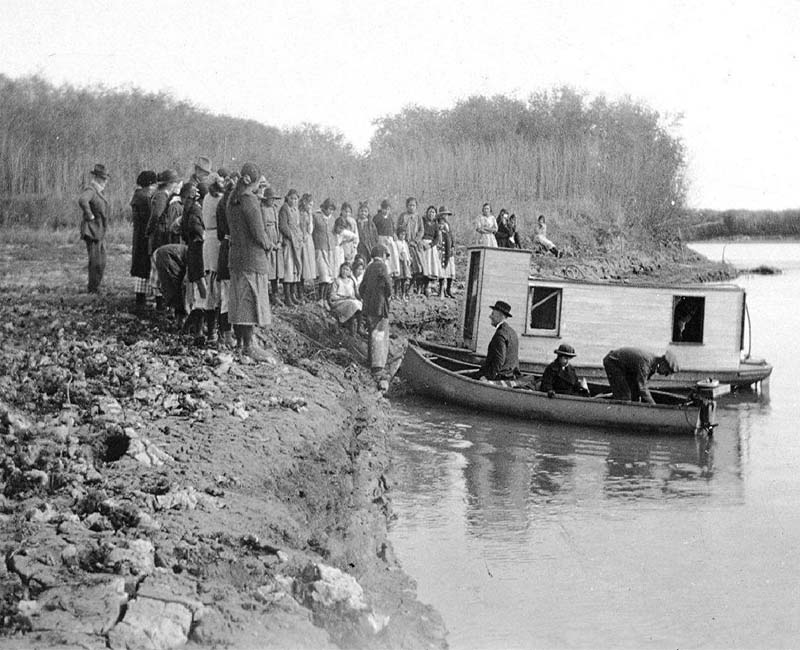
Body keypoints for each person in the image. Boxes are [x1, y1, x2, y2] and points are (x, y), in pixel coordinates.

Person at [227, 162, 274, 362]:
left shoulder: (232, 198)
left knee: (239, 300)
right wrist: (269, 244)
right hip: (252, 259)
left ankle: (240, 342)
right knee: (250, 302)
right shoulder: (250, 200)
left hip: (236, 256)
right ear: (253, 182)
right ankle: (248, 345)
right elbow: (258, 233)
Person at [361, 244, 393, 389]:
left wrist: (366, 299)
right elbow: (388, 286)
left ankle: (370, 360)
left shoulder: (368, 268)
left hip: (368, 306)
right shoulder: (382, 266)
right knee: (379, 334)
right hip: (380, 306)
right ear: (382, 255)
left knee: (371, 333)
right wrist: (387, 295)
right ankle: (378, 366)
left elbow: (361, 288)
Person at [200, 172, 227, 343]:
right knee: (220, 288)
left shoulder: (206, 199)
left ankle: (212, 331)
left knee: (211, 286)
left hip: (208, 240)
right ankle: (220, 331)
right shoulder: (220, 200)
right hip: (217, 240)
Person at [180, 182, 207, 343]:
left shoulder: (189, 209)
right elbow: (197, 230)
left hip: (194, 251)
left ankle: (192, 328)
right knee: (203, 292)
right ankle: (196, 330)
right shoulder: (196, 210)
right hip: (197, 252)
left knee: (200, 291)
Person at [602, 347, 679, 404]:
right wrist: (654, 406)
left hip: (624, 367)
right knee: (625, 396)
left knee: (634, 394)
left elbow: (639, 387)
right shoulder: (646, 363)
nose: (664, 375)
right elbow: (642, 388)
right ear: (663, 364)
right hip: (613, 362)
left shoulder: (654, 365)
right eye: (666, 372)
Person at [77, 163, 110, 293]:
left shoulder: (98, 191)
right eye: (103, 178)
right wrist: (89, 215)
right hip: (92, 231)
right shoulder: (91, 189)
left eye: (106, 178)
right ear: (97, 178)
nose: (106, 181)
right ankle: (93, 288)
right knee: (96, 261)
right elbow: (82, 200)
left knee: (101, 260)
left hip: (98, 231)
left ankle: (95, 286)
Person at [216, 171, 238, 346]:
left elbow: (219, 233)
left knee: (226, 294)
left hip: (225, 246)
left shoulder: (222, 202)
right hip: (231, 249)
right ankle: (226, 333)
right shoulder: (229, 204)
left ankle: (226, 332)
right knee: (228, 295)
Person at [130, 170, 158, 310]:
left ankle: (140, 298)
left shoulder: (137, 195)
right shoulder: (144, 198)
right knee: (143, 266)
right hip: (144, 237)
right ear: (149, 184)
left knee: (141, 267)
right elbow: (150, 217)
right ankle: (140, 300)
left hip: (139, 235)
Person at [478, 300, 520, 381]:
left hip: (502, 376)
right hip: (511, 374)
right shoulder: (511, 331)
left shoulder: (500, 334)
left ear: (500, 316)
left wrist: (488, 378)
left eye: (493, 314)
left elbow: (499, 361)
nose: (490, 316)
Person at [258, 182, 284, 307]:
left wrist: (279, 241)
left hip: (276, 238)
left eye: (273, 199)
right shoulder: (262, 210)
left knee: (276, 270)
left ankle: (275, 294)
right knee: (268, 269)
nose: (272, 201)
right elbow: (262, 228)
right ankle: (265, 295)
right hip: (268, 241)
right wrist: (270, 244)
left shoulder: (274, 209)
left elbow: (278, 226)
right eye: (270, 199)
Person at [153, 242, 189, 329]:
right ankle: (179, 321)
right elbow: (185, 281)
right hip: (166, 255)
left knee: (175, 287)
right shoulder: (196, 255)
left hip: (165, 253)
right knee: (174, 287)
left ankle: (179, 318)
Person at [278, 189, 303, 306]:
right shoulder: (284, 208)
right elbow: (283, 226)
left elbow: (297, 226)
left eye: (296, 198)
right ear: (287, 198)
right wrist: (292, 237)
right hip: (288, 242)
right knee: (288, 268)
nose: (294, 201)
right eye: (292, 198)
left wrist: (299, 236)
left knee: (295, 269)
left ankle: (293, 295)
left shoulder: (296, 210)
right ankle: (287, 296)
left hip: (296, 242)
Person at [396, 197, 424, 291]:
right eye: (409, 205)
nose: (411, 207)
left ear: (416, 207)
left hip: (415, 245)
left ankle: (412, 285)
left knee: (417, 266)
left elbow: (421, 230)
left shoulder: (418, 217)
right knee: (405, 265)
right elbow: (398, 228)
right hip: (404, 244)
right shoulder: (403, 216)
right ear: (406, 206)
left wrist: (415, 241)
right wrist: (403, 239)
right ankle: (402, 286)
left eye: (413, 205)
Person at [313, 198, 338, 304]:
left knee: (330, 275)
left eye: (332, 210)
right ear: (323, 208)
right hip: (320, 248)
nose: (330, 212)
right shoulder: (316, 216)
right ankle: (321, 298)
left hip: (331, 249)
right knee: (323, 274)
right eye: (328, 209)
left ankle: (327, 298)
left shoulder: (333, 219)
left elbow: (336, 233)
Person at [328, 261, 362, 335]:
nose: (344, 271)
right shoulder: (337, 281)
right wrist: (344, 297)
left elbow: (352, 295)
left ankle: (358, 328)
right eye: (343, 269)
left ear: (350, 272)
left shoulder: (351, 282)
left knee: (359, 304)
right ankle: (351, 330)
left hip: (349, 302)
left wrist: (353, 297)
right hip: (338, 303)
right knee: (352, 304)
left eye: (347, 270)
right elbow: (332, 297)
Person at [373, 199, 400, 278]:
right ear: (381, 208)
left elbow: (393, 227)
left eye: (388, 209)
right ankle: (383, 271)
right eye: (384, 209)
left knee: (392, 255)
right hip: (381, 238)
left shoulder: (390, 218)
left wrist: (394, 234)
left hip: (390, 239)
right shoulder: (377, 217)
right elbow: (374, 229)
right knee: (383, 255)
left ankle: (391, 272)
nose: (386, 211)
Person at [419, 205, 442, 296]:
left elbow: (436, 238)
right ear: (427, 212)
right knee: (422, 265)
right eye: (430, 211)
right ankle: (419, 287)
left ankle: (427, 287)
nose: (431, 213)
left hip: (431, 247)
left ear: (435, 214)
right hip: (422, 243)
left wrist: (431, 245)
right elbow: (419, 231)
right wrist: (421, 242)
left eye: (433, 212)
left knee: (430, 267)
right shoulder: (422, 221)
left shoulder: (436, 224)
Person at [298, 193, 317, 301]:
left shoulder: (309, 214)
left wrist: (310, 215)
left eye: (312, 205)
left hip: (308, 240)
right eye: (309, 204)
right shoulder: (299, 213)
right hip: (301, 239)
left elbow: (310, 230)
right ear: (304, 202)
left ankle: (302, 292)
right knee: (301, 264)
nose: (310, 207)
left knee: (307, 265)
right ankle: (298, 291)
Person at [436, 207, 456, 298]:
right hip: (442, 249)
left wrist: (453, 246)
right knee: (442, 269)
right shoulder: (438, 224)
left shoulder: (448, 225)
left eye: (446, 215)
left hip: (449, 249)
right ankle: (441, 289)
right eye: (443, 214)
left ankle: (448, 289)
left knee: (450, 269)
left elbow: (451, 236)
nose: (445, 217)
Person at [394, 225, 411, 300]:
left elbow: (407, 252)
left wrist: (408, 259)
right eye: (401, 234)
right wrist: (399, 257)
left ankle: (403, 294)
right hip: (399, 262)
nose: (402, 236)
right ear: (398, 234)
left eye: (404, 234)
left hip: (405, 262)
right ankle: (396, 294)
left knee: (404, 278)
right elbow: (396, 252)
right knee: (398, 278)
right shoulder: (396, 243)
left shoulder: (405, 243)